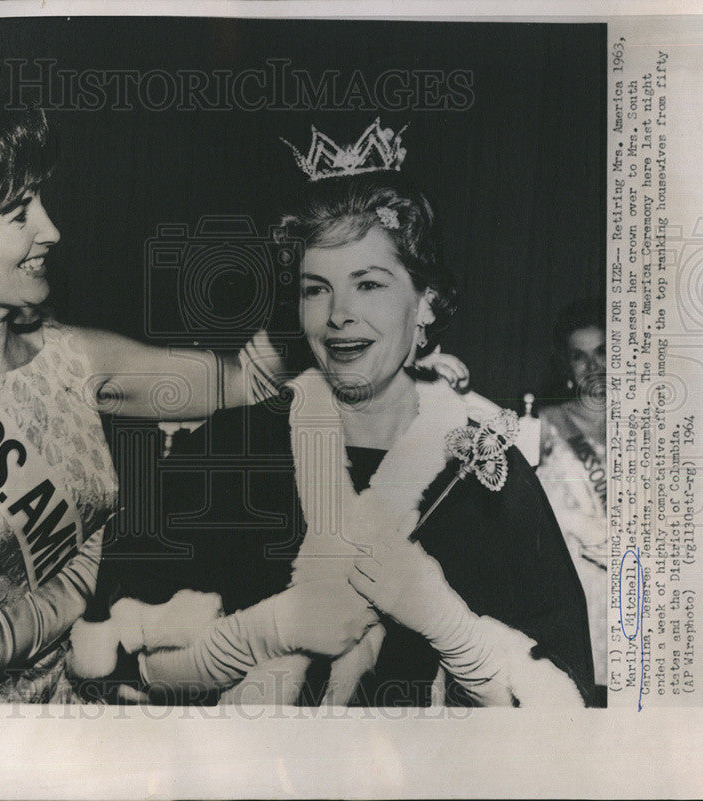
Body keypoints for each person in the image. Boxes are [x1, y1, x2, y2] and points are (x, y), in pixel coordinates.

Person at [0, 45, 385, 703]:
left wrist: (332, 282)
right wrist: (74, 592)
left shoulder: (70, 355)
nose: (51, 229)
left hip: (100, 698)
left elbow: (244, 380)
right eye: (19, 211)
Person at [77, 121, 595, 707]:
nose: (339, 315)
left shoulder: (481, 471)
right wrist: (261, 632)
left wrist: (450, 627)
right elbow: (106, 667)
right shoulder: (236, 446)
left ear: (425, 302)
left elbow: (565, 711)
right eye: (315, 288)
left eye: (369, 284)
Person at [536, 298, 607, 704]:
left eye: (602, 352)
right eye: (579, 357)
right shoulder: (545, 426)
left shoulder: (648, 430)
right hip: (574, 596)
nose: (593, 366)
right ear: (566, 367)